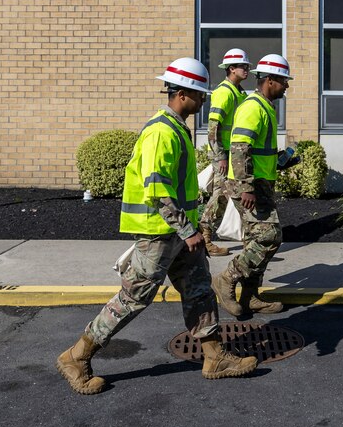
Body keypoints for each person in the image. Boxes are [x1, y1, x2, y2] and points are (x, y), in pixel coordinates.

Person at [56, 57, 257, 395]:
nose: (204, 99)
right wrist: (188, 231)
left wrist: (188, 231)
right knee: (135, 297)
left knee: (199, 290)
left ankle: (214, 357)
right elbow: (156, 190)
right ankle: (77, 356)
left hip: (177, 233)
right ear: (181, 94)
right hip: (159, 233)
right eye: (199, 93)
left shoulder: (176, 127)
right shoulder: (161, 132)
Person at [212, 53, 293, 317]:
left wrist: (279, 161)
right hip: (250, 186)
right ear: (269, 80)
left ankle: (250, 297)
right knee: (269, 237)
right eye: (283, 81)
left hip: (260, 182)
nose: (287, 86)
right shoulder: (253, 107)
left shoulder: (264, 106)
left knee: (252, 240)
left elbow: (257, 151)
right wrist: (246, 186)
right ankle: (226, 278)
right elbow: (239, 148)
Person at [200, 48, 250, 256]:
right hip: (225, 155)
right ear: (231, 69)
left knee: (235, 195)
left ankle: (248, 237)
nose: (247, 70)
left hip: (235, 155)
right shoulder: (224, 92)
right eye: (243, 66)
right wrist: (220, 156)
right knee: (220, 196)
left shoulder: (239, 92)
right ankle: (205, 239)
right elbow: (214, 127)